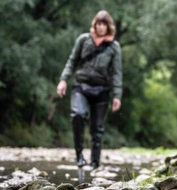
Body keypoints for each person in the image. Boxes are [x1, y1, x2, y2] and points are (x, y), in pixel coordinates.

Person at [56, 10, 122, 170]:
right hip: (81, 87)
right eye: (98, 24)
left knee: (97, 129)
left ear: (108, 27)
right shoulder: (83, 40)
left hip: (102, 91)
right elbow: (72, 61)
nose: (101, 27)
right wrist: (63, 80)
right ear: (95, 24)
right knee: (77, 115)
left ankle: (95, 163)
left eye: (104, 25)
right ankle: (79, 155)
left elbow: (117, 73)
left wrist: (117, 95)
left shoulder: (114, 46)